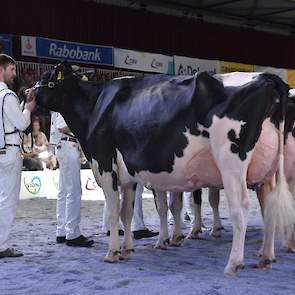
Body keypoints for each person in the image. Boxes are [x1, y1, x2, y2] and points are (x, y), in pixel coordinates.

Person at [0, 54, 36, 258]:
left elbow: (10, 121)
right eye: (11, 69)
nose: (15, 73)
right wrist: (29, 109)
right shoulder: (7, 96)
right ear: (1, 70)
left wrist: (22, 108)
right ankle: (1, 245)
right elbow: (21, 124)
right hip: (10, 151)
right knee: (7, 200)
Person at [50, 111, 94, 247]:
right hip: (68, 145)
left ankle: (62, 231)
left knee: (64, 191)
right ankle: (72, 233)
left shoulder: (58, 103)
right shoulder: (64, 102)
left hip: (62, 145)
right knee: (73, 191)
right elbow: (62, 126)